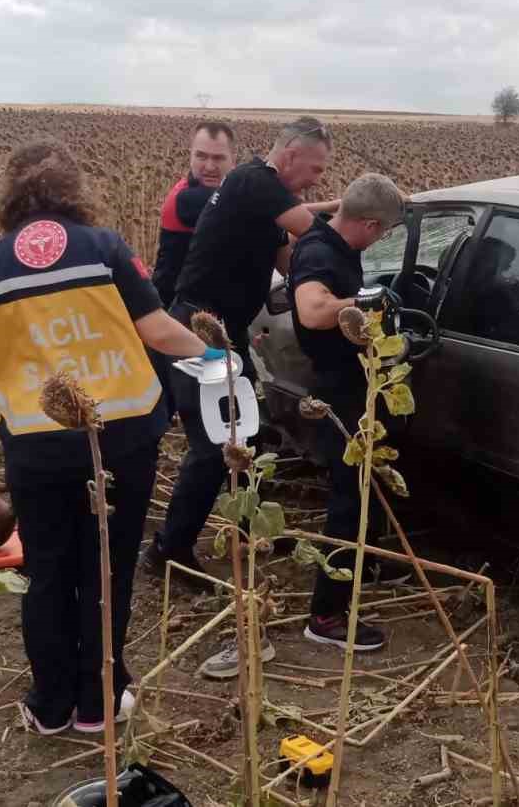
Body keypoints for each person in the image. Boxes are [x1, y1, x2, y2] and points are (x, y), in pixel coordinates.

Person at [0, 138, 220, 736]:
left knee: (47, 569)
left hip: (35, 443)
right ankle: (99, 701)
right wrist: (213, 352)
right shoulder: (104, 248)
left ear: (12, 194)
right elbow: (155, 329)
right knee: (106, 567)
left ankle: (49, 703)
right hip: (120, 439)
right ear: (73, 189)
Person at [198, 173, 406, 679]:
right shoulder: (319, 255)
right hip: (340, 388)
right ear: (369, 224)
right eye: (381, 233)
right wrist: (365, 303)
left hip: (353, 381)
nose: (379, 242)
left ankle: (367, 562)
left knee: (367, 479)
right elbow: (312, 311)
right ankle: (328, 615)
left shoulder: (318, 235)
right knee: (349, 493)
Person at [143, 117, 339, 580]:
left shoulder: (263, 199)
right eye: (314, 169)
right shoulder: (255, 181)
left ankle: (255, 526)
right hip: (199, 335)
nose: (316, 179)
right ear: (290, 156)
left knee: (246, 435)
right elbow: (314, 234)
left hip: (224, 335)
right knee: (214, 448)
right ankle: (167, 553)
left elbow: (292, 261)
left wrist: (321, 291)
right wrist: (359, 219)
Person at [152, 121, 234, 307]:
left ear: (233, 160)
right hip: (174, 310)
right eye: (201, 156)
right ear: (191, 156)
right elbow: (260, 208)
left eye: (219, 158)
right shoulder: (188, 198)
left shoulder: (222, 191)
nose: (210, 166)